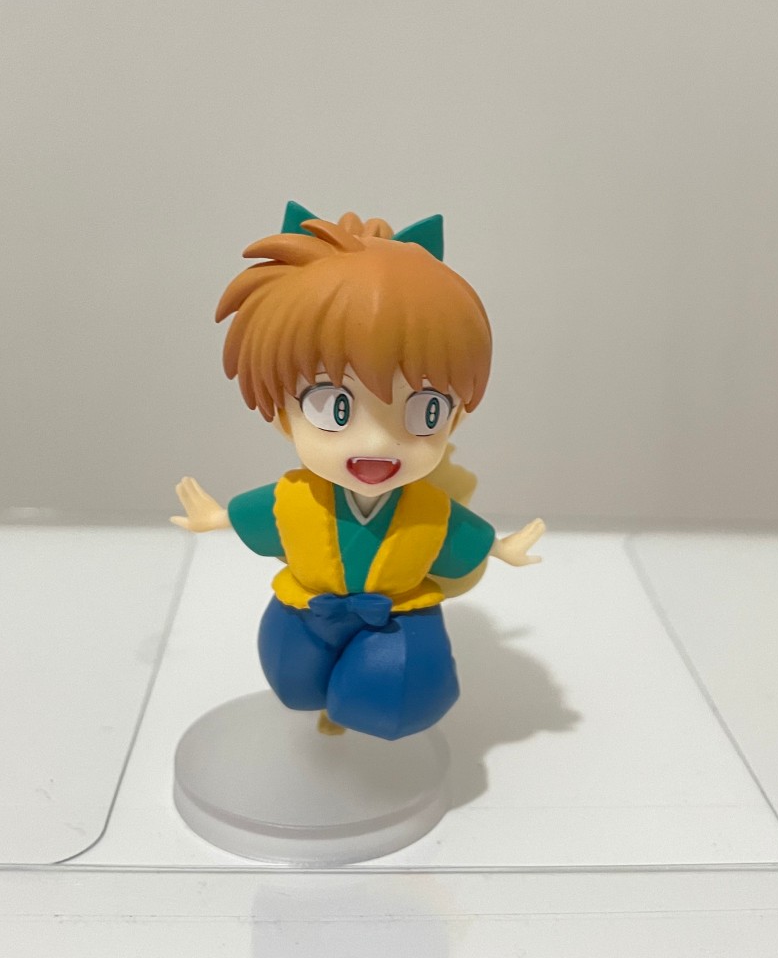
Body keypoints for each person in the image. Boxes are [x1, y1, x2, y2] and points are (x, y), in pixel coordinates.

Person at [173, 202, 545, 740]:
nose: (375, 444)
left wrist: (502, 549)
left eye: (426, 411)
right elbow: (256, 515)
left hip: (397, 619)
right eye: (334, 407)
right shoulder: (295, 498)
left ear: (455, 416)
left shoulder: (427, 510)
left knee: (394, 693)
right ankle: (323, 708)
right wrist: (215, 518)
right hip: (305, 611)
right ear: (281, 412)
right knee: (294, 682)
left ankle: (355, 707)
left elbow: (464, 539)